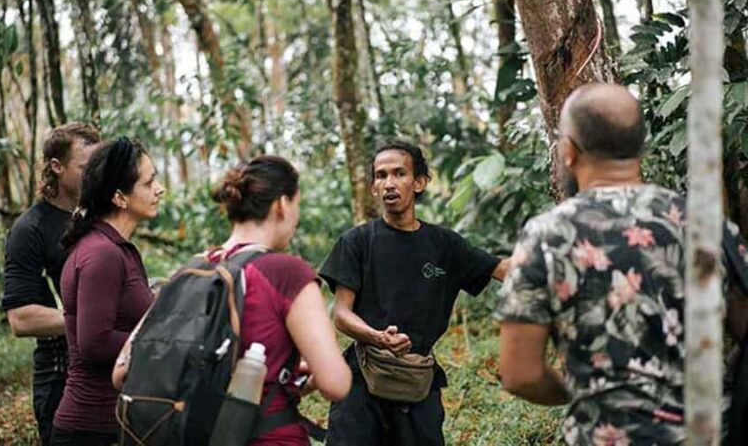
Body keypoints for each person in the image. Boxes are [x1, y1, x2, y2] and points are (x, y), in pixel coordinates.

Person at [495, 83, 748, 444]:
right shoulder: (704, 222)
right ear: (640, 147)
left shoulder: (547, 236)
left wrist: (588, 389)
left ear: (567, 151)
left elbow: (519, 373)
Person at [114, 155, 351, 445]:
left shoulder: (192, 270)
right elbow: (336, 384)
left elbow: (121, 371)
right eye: (297, 205)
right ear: (282, 205)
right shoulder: (287, 272)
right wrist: (308, 378)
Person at [320, 140, 510, 446]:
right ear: (373, 188)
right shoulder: (356, 242)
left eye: (399, 174)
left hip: (418, 382)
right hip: (362, 379)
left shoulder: (444, 245)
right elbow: (341, 315)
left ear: (419, 182)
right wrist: (378, 337)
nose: (389, 184)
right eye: (381, 176)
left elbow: (504, 270)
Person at [51, 137, 164, 446]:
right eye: (149, 182)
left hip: (117, 424)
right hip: (91, 428)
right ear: (119, 197)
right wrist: (165, 342)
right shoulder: (101, 253)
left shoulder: (118, 249)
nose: (159, 189)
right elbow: (95, 342)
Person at [2, 122, 100, 445]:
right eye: (86, 168)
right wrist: (92, 321)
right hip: (60, 377)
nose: (95, 175)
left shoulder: (94, 219)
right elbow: (20, 319)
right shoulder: (29, 230)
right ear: (56, 167)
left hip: (104, 371)